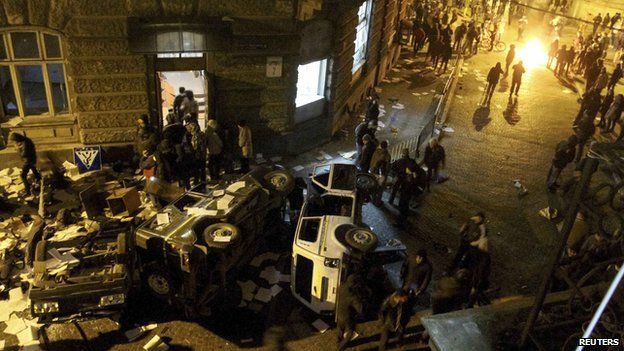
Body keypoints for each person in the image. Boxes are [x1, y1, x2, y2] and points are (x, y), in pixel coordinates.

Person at [336, 274, 365, 351]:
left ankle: (338, 342)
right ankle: (341, 348)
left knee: (340, 330)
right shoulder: (352, 296)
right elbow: (360, 309)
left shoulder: (340, 287)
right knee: (349, 334)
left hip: (339, 314)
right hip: (348, 318)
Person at [10, 133, 41, 198]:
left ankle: (28, 191)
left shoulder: (25, 143)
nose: (14, 142)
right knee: (34, 170)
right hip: (32, 159)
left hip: (28, 161)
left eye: (14, 141)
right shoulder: (26, 140)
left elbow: (24, 154)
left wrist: (18, 148)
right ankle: (39, 180)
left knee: (23, 175)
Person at [184, 115, 206, 185]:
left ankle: (197, 181)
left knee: (196, 168)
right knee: (202, 168)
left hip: (197, 155)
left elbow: (195, 147)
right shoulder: (202, 134)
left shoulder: (195, 136)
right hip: (202, 154)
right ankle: (202, 180)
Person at [370, 140, 391, 206]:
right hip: (382, 174)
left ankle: (373, 199)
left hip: (373, 172)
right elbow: (387, 167)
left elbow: (372, 161)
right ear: (386, 146)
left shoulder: (376, 152)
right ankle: (377, 202)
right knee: (380, 189)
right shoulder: (387, 155)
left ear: (380, 145)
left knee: (374, 185)